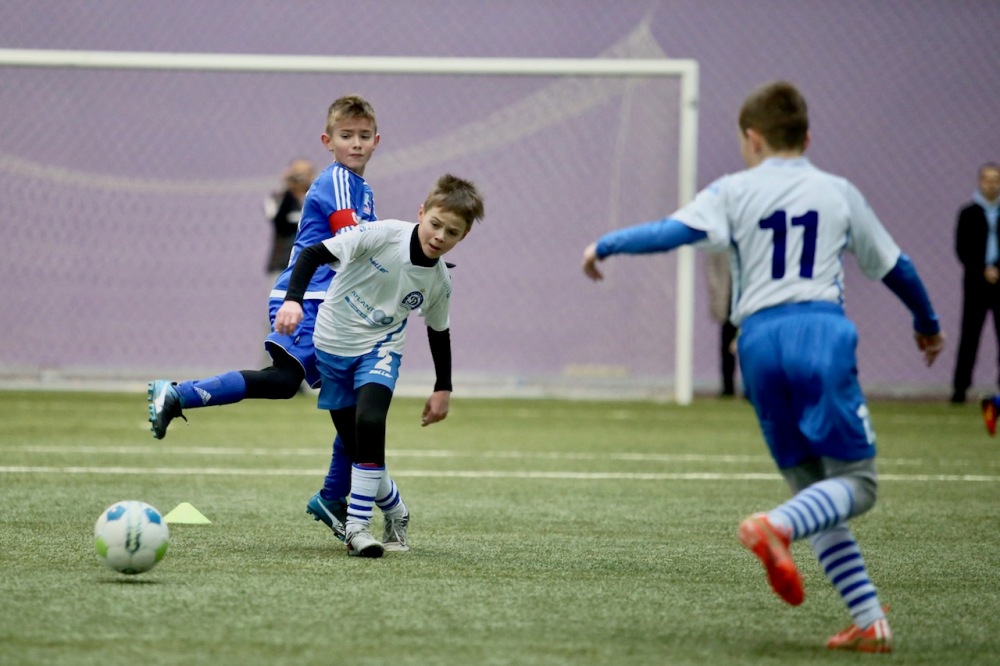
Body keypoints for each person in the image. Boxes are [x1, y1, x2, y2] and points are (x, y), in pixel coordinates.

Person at [581, 81, 944, 653]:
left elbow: (672, 232)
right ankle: (775, 527)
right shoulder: (837, 192)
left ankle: (869, 620)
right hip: (818, 332)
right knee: (858, 484)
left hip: (755, 343)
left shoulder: (732, 190)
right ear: (807, 137)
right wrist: (926, 321)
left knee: (812, 492)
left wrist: (606, 244)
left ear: (752, 138)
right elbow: (897, 266)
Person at [148, 95, 383, 542]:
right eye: (346, 135)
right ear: (328, 141)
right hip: (308, 299)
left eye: (363, 136)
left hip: (333, 305)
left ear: (376, 141)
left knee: (337, 400)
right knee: (296, 386)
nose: (355, 143)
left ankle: (333, 498)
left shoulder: (362, 188)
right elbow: (353, 240)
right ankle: (176, 395)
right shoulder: (338, 181)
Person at [274, 173, 485, 557]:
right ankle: (396, 510)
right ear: (421, 213)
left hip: (380, 350)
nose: (439, 236)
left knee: (370, 423)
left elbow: (439, 332)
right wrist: (293, 300)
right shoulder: (381, 235)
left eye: (452, 232)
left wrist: (443, 387)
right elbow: (311, 254)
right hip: (332, 345)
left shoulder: (439, 282)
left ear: (463, 236)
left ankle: (356, 528)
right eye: (435, 224)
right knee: (359, 446)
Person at [951, 162, 1000, 404]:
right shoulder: (968, 213)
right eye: (986, 179)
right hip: (975, 283)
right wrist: (982, 269)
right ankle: (960, 388)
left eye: (995, 180)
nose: (991, 184)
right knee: (970, 335)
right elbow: (962, 248)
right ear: (980, 182)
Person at [265, 158, 317, 280]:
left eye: (305, 173)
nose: (301, 178)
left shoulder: (317, 198)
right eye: (298, 173)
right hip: (282, 265)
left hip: (314, 267)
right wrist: (289, 190)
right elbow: (279, 223)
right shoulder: (277, 198)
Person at [705, 251, 738, 396]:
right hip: (727, 301)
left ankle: (750, 386)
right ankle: (728, 387)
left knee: (748, 345)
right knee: (726, 346)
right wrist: (715, 289)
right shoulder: (720, 246)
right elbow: (711, 268)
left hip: (745, 302)